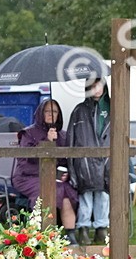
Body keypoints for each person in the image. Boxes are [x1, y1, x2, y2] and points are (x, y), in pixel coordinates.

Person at [13, 99, 79, 244]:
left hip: (55, 178)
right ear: (41, 113)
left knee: (67, 191)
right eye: (47, 111)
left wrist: (66, 173)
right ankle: (45, 234)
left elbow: (66, 161)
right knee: (47, 190)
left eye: (54, 111)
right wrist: (47, 141)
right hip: (28, 176)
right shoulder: (28, 133)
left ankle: (70, 235)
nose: (51, 114)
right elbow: (26, 161)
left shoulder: (63, 135)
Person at [67, 75, 111, 246]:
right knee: (85, 197)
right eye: (91, 86)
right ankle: (83, 229)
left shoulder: (113, 106)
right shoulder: (79, 110)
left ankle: (102, 229)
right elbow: (71, 138)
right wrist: (72, 166)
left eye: (98, 85)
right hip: (85, 162)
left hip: (106, 161)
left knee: (104, 196)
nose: (96, 89)